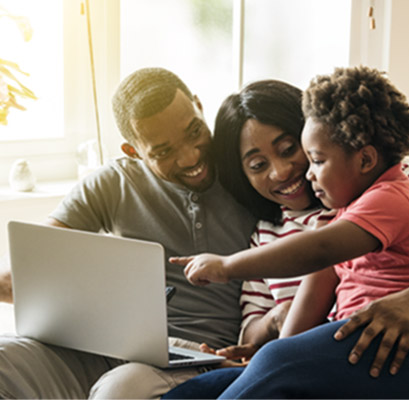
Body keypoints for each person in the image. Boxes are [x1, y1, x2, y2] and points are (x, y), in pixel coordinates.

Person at [169, 66, 409, 398]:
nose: (294, 173)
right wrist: (268, 361)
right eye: (257, 165)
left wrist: (227, 266)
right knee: (197, 391)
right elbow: (317, 280)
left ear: (366, 159)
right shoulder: (344, 214)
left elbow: (317, 250)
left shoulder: (394, 196)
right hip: (352, 349)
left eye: (308, 157)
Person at [0, 67, 257, 399]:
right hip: (98, 346)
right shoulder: (114, 183)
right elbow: (27, 272)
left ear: (198, 105)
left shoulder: (250, 172)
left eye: (194, 131)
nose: (191, 156)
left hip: (194, 356)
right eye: (163, 151)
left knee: (119, 391)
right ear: (133, 150)